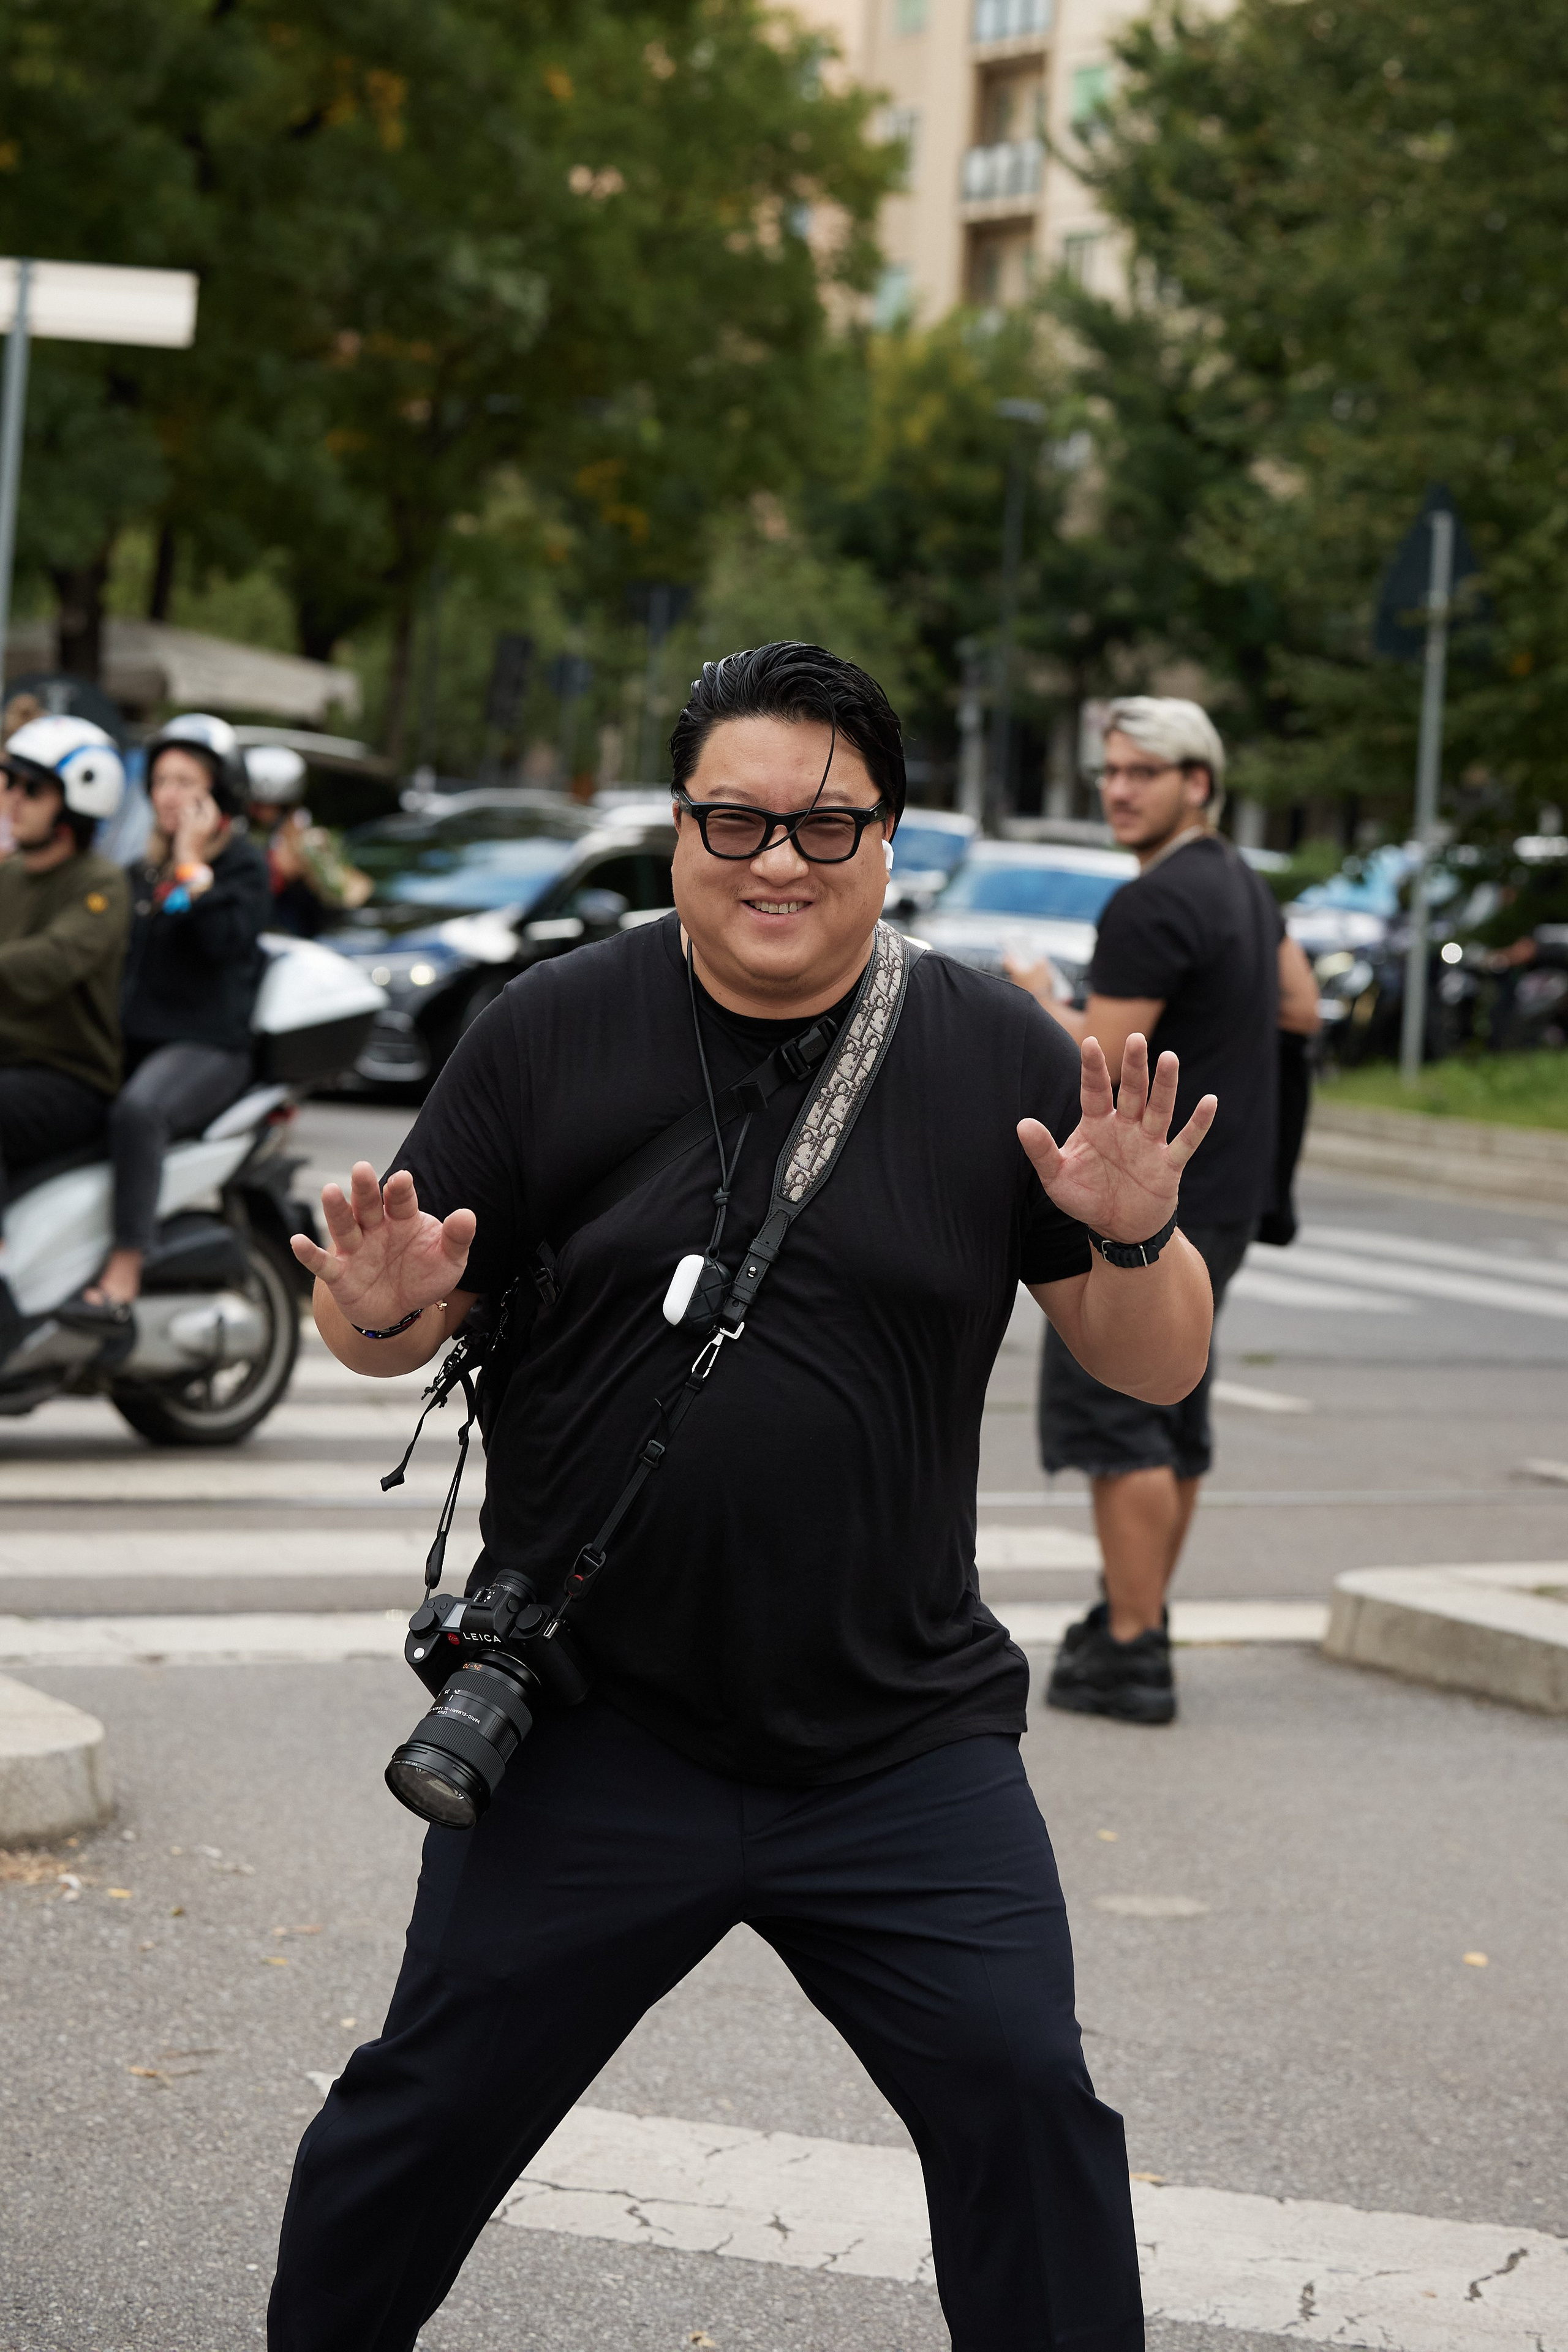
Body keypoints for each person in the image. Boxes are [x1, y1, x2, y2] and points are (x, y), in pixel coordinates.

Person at [268, 642, 1218, 2352]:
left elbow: (1151, 1366)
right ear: (679, 831)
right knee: (412, 2131)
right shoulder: (553, 1032)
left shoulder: (994, 1052)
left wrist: (1135, 1230)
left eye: (827, 827)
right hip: (593, 1730)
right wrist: (384, 1299)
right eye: (736, 819)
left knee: (1027, 2109)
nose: (779, 859)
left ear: (891, 841)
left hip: (899, 1742)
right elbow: (379, 1323)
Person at [1006, 694, 1315, 1727]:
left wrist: (1032, 994)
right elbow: (1302, 1006)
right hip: (1226, 1192)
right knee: (1174, 1408)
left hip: (1155, 1203)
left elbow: (1094, 1059)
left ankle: (1133, 1645)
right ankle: (1140, 1615)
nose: (1120, 789)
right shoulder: (1242, 883)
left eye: (1146, 771)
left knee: (1118, 1407)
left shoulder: (1150, 905)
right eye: (1111, 771)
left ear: (1201, 782)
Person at [79, 712, 271, 1319]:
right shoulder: (141, 873)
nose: (170, 794)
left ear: (219, 794)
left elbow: (220, 940)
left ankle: (127, 1264)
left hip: (209, 1047)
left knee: (140, 1111)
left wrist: (190, 858)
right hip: (136, 1041)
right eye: (162, 781)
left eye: (188, 781)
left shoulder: (241, 867)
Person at [0, 718, 129, 1329]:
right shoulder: (7, 876)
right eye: (7, 780)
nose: (12, 797)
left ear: (79, 797)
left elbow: (53, 963)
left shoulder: (100, 883)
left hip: (69, 1078)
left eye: (30, 786)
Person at [244, 744, 371, 937]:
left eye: (263, 806)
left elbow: (342, 898)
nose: (256, 812)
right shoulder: (248, 836)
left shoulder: (311, 841)